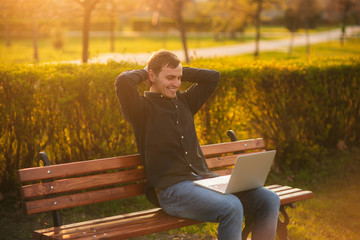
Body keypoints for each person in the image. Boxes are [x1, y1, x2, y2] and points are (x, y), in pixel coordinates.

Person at [114, 49, 280, 240]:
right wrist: (147, 70)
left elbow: (213, 77)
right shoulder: (141, 109)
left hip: (205, 181)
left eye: (179, 78)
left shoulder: (185, 101)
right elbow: (123, 81)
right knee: (231, 206)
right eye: (170, 78)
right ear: (152, 76)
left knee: (269, 199)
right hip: (172, 190)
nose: (176, 84)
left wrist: (178, 71)